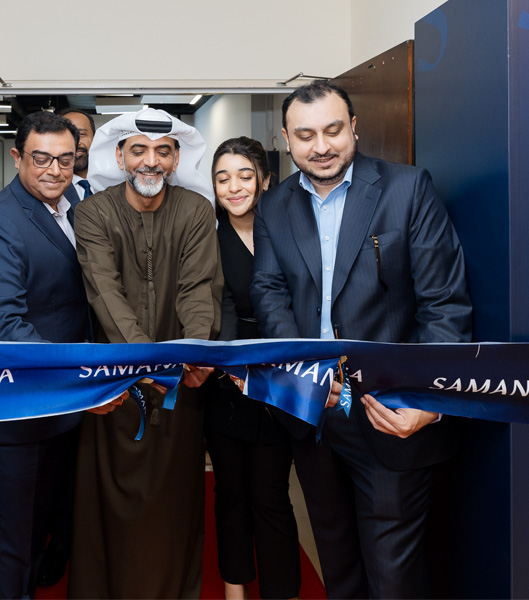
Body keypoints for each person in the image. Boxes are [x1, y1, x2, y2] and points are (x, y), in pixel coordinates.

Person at [251, 80, 472, 599]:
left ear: (354, 127)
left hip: (391, 413)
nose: (321, 146)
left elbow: (445, 302)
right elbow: (269, 295)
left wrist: (428, 398)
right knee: (339, 568)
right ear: (285, 139)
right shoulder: (274, 205)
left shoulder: (407, 188)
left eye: (332, 130)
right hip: (314, 413)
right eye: (306, 135)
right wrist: (305, 378)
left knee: (393, 578)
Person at [68, 107, 223, 599]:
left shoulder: (196, 211)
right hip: (115, 383)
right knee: (111, 499)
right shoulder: (93, 212)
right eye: (138, 150)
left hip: (184, 381)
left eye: (162, 151)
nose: (150, 161)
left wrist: (195, 351)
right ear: (120, 157)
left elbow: (200, 289)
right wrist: (147, 363)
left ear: (176, 159)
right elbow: (105, 291)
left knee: (173, 500)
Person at [0, 111, 90, 599]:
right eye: (41, 158)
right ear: (17, 157)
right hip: (17, 415)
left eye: (65, 159)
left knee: (40, 533)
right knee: (13, 549)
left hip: (58, 410)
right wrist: (80, 375)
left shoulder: (74, 208)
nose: (54, 170)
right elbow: (4, 325)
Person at [204, 137, 301, 600]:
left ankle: (282, 591)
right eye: (223, 178)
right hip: (227, 379)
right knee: (230, 493)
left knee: (271, 494)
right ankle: (234, 590)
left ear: (265, 179)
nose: (234, 187)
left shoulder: (288, 230)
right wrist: (227, 359)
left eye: (245, 176)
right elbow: (214, 304)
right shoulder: (208, 238)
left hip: (283, 376)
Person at [35, 107, 97, 590]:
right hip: (50, 375)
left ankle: (71, 544)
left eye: (73, 146)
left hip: (91, 367)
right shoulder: (16, 212)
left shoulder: (90, 200)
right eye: (44, 157)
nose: (57, 166)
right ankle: (50, 552)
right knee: (44, 484)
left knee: (77, 476)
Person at [60, 108, 96, 199]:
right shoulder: (51, 188)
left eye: (82, 134)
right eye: (69, 135)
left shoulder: (113, 183)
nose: (76, 142)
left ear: (95, 138)